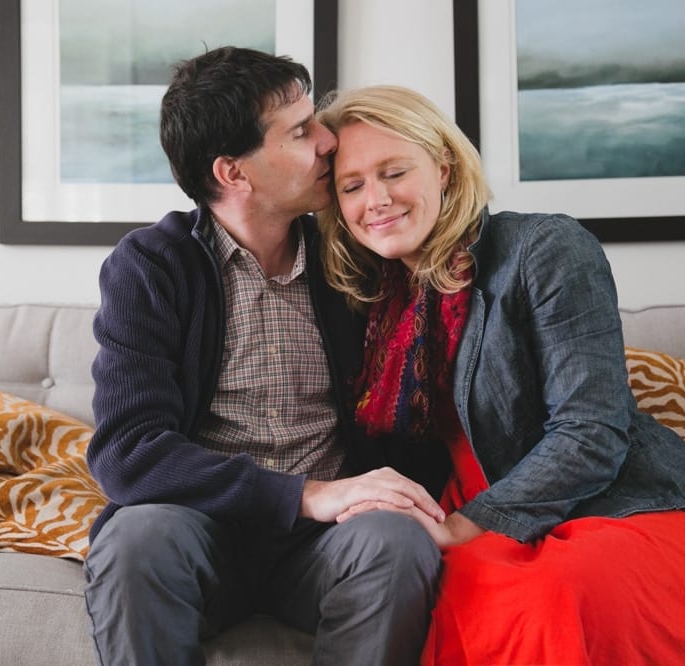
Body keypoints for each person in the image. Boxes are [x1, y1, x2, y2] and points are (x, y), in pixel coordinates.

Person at [316, 84, 685, 665]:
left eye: (394, 172)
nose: (376, 199)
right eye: (352, 186)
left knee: (547, 596)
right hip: (481, 516)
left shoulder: (541, 247)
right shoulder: (374, 300)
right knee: (459, 596)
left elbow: (592, 431)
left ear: (442, 168)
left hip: (623, 509)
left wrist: (465, 526)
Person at [83, 50, 447, 666]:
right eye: (301, 131)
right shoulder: (151, 267)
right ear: (234, 172)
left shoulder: (354, 252)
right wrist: (306, 494)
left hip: (326, 544)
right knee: (136, 539)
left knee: (395, 539)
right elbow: (127, 453)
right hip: (197, 530)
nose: (329, 140)